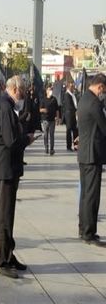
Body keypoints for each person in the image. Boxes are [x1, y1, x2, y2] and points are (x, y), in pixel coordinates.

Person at [0, 75, 38, 279]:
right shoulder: (4, 106)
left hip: (8, 166)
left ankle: (8, 254)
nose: (24, 95)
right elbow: (11, 140)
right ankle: (0, 259)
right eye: (23, 91)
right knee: (3, 215)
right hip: (4, 167)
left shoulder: (6, 105)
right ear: (15, 89)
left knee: (8, 213)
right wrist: (27, 138)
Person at [76, 73, 106, 246]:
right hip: (92, 154)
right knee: (91, 195)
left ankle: (83, 228)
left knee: (85, 194)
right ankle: (89, 232)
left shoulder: (84, 99)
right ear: (100, 86)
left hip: (85, 153)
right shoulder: (94, 103)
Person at [40, 86, 59, 155]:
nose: (50, 91)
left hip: (52, 120)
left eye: (51, 90)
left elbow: (57, 110)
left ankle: (51, 149)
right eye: (49, 90)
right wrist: (43, 110)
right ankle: (46, 148)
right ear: (46, 91)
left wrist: (57, 118)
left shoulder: (54, 99)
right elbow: (39, 109)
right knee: (45, 135)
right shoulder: (43, 99)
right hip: (45, 120)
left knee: (52, 135)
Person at [63, 82, 79, 152]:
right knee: (69, 130)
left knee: (75, 130)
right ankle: (68, 146)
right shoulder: (67, 95)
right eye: (72, 86)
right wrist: (76, 110)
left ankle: (76, 146)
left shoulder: (72, 94)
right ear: (68, 87)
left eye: (73, 86)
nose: (73, 88)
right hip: (69, 115)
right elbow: (69, 106)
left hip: (73, 115)